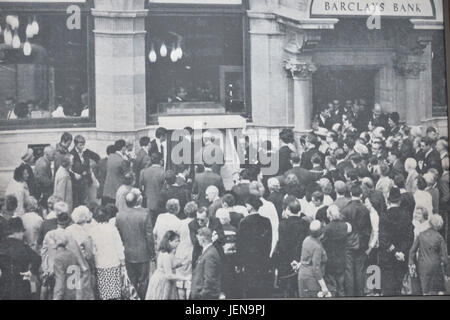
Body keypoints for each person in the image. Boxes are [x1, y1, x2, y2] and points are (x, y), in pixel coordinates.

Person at [115, 189, 155, 299]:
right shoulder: (145, 214)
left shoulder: (119, 216)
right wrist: (152, 254)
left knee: (131, 280)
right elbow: (149, 237)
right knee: (143, 281)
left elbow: (118, 236)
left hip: (127, 253)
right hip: (143, 253)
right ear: (137, 201)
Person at [236, 194, 272, 298]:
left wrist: (239, 263)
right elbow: (268, 242)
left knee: (250, 289)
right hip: (263, 260)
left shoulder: (244, 222)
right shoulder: (266, 221)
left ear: (250, 206)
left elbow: (240, 244)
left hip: (249, 261)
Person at [273, 199, 310, 298]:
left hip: (286, 261)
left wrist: (290, 260)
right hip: (301, 260)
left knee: (288, 290)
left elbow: (282, 245)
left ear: (288, 210)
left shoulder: (282, 224)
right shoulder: (305, 224)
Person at [89, 205, 125, 300]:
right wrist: (122, 261)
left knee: (104, 293)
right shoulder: (112, 229)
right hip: (113, 262)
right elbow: (119, 246)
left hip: (100, 264)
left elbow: (92, 249)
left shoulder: (92, 231)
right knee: (115, 292)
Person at [341, 185, 371, 297]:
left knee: (349, 271)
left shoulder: (345, 209)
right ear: (361, 195)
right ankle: (360, 294)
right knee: (360, 271)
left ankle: (350, 295)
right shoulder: (365, 209)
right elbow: (369, 228)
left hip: (348, 244)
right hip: (362, 244)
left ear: (350, 194)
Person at [0, 217, 41, 300]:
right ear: (17, 232)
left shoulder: (2, 246)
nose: (23, 235)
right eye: (22, 232)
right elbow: (37, 258)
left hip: (5, 285)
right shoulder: (23, 247)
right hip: (22, 284)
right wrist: (31, 272)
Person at [409, 214, 449, 295]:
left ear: (430, 223)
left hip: (422, 266)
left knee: (425, 291)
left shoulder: (421, 235)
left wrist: (411, 263)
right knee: (439, 290)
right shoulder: (440, 238)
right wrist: (447, 271)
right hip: (436, 267)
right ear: (440, 225)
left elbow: (412, 251)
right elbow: (444, 257)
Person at [145, 230, 187, 300]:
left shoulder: (169, 252)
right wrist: (184, 278)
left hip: (165, 281)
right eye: (176, 241)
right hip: (162, 282)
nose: (178, 243)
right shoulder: (166, 255)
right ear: (169, 242)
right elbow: (169, 275)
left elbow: (171, 265)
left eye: (179, 241)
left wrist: (182, 263)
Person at [295, 220, 330, 298]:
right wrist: (324, 286)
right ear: (322, 234)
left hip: (302, 275)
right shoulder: (317, 247)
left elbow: (304, 257)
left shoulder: (306, 240)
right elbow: (316, 269)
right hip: (311, 279)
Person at [190, 227, 222, 300]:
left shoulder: (210, 254)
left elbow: (209, 279)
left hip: (205, 297)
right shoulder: (208, 251)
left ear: (202, 238)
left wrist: (201, 295)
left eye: (198, 238)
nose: (197, 240)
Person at [70, 135, 100, 207]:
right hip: (78, 183)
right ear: (75, 144)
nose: (82, 147)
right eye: (80, 145)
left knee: (88, 201)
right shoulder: (72, 154)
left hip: (87, 181)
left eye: (83, 145)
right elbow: (71, 169)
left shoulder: (86, 152)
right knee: (81, 201)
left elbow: (97, 158)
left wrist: (93, 169)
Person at [175, 201, 197, 299]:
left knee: (180, 282)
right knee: (190, 280)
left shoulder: (180, 223)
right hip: (193, 251)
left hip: (181, 250)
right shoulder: (197, 224)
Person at [52, 229, 82, 300]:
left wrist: (56, 298)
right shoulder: (73, 254)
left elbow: (60, 282)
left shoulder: (58, 258)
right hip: (76, 293)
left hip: (65, 294)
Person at [140, 152, 166, 222]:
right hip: (160, 204)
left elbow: (141, 187)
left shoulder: (145, 172)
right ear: (161, 161)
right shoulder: (163, 172)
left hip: (148, 203)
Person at [103, 139, 128, 205]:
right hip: (117, 188)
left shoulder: (110, 157)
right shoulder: (121, 160)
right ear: (123, 148)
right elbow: (126, 174)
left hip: (108, 189)